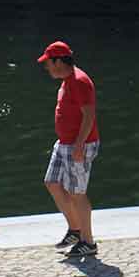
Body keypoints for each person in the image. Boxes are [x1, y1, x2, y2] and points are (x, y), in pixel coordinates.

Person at [38, 40, 100, 257]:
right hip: (63, 143)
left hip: (78, 146)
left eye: (48, 63)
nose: (46, 67)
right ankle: (75, 229)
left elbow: (89, 115)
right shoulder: (67, 80)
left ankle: (88, 242)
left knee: (77, 194)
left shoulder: (80, 81)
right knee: (52, 183)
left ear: (58, 61)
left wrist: (80, 144)